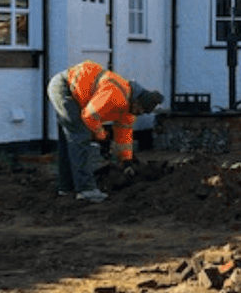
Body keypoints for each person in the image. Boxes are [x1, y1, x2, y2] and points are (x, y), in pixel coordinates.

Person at [47, 60, 164, 202]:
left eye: (141, 113)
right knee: (79, 137)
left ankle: (66, 187)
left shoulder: (129, 107)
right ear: (137, 102)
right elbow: (89, 116)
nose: (138, 114)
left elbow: (124, 135)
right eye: (139, 110)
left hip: (73, 91)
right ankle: (86, 190)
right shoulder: (116, 94)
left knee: (70, 140)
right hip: (64, 89)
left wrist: (126, 161)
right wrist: (101, 135)